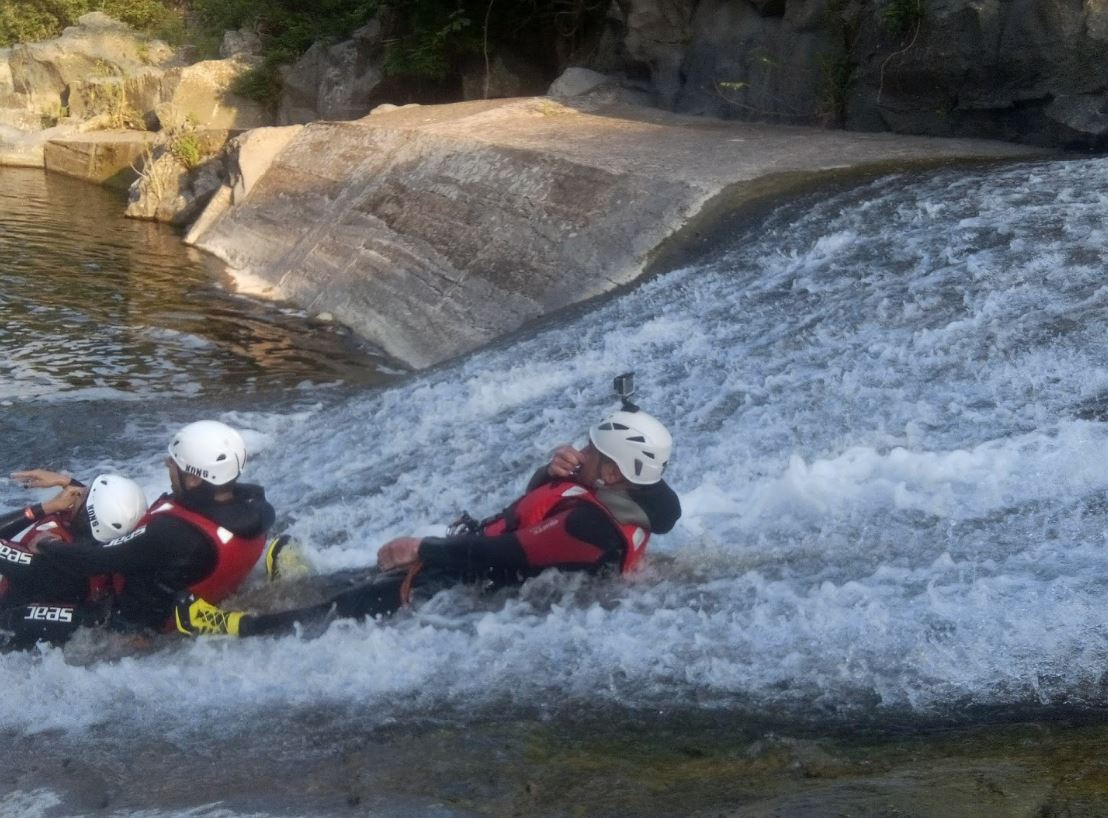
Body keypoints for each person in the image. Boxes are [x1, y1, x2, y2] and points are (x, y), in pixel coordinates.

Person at [175, 407, 680, 638]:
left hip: (459, 586)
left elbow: (506, 553)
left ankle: (232, 628)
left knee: (339, 610)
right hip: (462, 572)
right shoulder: (620, 498)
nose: (583, 451)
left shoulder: (592, 528)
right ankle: (297, 580)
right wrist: (548, 474)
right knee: (348, 581)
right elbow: (536, 510)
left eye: (594, 451)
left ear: (613, 472)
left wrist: (426, 547)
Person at [1, 420, 275, 647]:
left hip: (123, 624)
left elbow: (92, 559)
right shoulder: (255, 508)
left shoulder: (172, 533)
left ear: (194, 478)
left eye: (175, 462)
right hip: (185, 591)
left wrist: (48, 544)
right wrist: (71, 485)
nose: (167, 463)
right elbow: (125, 529)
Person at [0, 470, 148, 647]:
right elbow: (101, 517)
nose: (78, 491)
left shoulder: (48, 561)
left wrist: (46, 507)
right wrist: (67, 481)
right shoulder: (106, 553)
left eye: (85, 493)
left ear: (86, 516)